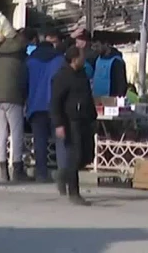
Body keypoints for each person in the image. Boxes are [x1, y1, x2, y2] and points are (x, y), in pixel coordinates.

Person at [51, 45, 98, 205]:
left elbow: (87, 96)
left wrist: (93, 116)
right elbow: (55, 102)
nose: (84, 59)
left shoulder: (82, 74)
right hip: (71, 120)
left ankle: (63, 174)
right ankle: (74, 192)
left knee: (87, 155)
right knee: (74, 155)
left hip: (85, 119)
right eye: (81, 56)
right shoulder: (62, 76)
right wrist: (58, 124)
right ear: (74, 59)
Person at [0, 33, 29, 183]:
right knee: (16, 133)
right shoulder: (20, 60)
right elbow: (25, 80)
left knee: (1, 134)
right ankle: (17, 168)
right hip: (14, 99)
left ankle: (3, 170)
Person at [26, 28, 67, 183]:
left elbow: (25, 83)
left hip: (35, 106)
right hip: (55, 106)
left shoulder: (30, 61)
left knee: (40, 141)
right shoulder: (60, 60)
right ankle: (62, 174)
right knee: (60, 141)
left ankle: (41, 173)